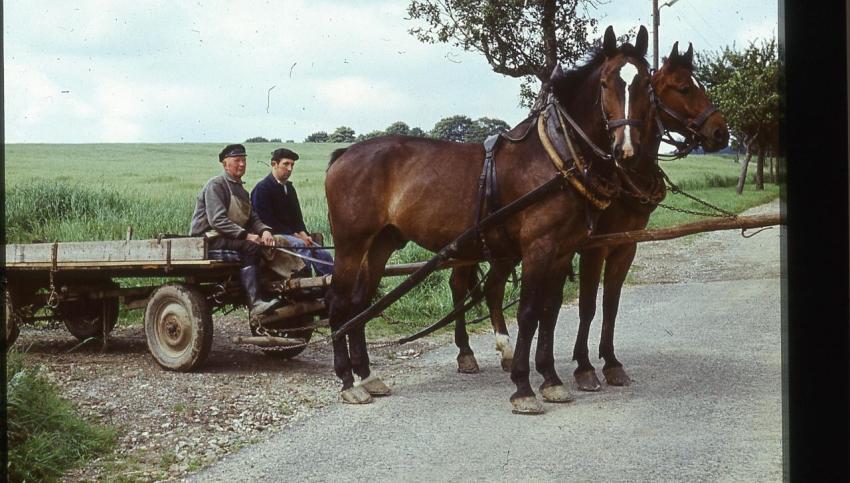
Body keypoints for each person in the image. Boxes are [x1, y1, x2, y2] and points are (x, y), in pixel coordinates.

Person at [190, 143, 278, 316]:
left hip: (228, 237)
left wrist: (264, 231)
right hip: (207, 239)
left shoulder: (242, 191)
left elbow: (252, 217)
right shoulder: (216, 185)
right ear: (225, 164)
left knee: (269, 247)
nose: (242, 164)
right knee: (251, 247)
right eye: (237, 160)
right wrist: (246, 236)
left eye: (244, 160)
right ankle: (255, 303)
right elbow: (217, 220)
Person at [250, 147, 334, 276]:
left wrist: (304, 233)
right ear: (274, 164)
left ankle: (328, 285)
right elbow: (266, 220)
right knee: (302, 247)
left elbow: (297, 217)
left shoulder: (289, 188)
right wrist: (296, 235)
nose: (290, 169)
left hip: (293, 235)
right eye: (286, 164)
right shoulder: (262, 188)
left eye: (292, 165)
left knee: (323, 253)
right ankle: (306, 286)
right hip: (274, 235)